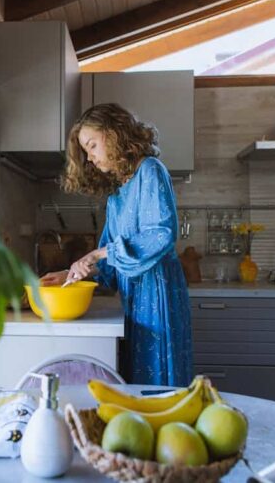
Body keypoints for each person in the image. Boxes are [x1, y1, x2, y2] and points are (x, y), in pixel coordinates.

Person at [40, 103, 193, 387]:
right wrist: (71, 273)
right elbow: (110, 263)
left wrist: (96, 253)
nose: (90, 158)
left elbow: (161, 234)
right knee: (135, 380)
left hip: (157, 294)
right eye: (86, 151)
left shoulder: (150, 170)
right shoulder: (118, 195)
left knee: (158, 379)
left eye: (92, 145)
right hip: (133, 297)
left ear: (113, 134)